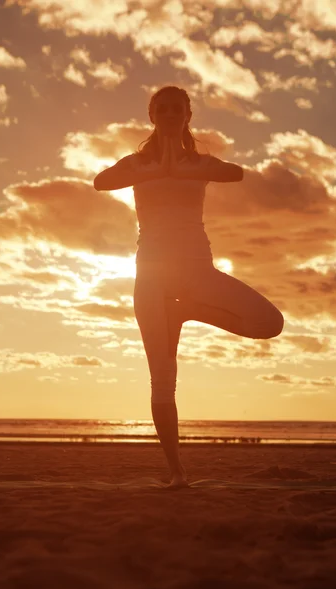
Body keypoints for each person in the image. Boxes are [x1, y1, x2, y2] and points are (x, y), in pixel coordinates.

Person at [93, 85, 284, 488]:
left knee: (270, 322)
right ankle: (177, 471)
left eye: (175, 108)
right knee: (162, 377)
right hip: (151, 277)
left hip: (198, 271)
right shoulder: (136, 163)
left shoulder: (199, 162)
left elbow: (236, 173)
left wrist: (184, 168)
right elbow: (101, 182)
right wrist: (155, 169)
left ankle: (188, 310)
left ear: (187, 115)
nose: (167, 113)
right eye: (160, 108)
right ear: (151, 114)